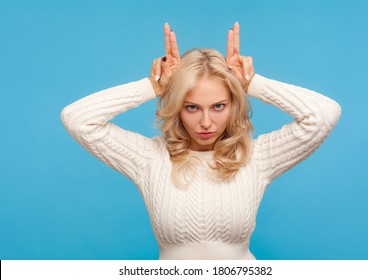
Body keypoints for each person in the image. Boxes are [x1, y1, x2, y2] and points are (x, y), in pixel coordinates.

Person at [61, 22, 341, 260]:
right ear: (177, 108)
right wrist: (153, 86)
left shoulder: (255, 157)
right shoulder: (150, 158)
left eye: (218, 106)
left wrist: (252, 83)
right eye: (192, 107)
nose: (206, 122)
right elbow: (77, 118)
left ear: (234, 105)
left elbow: (323, 115)